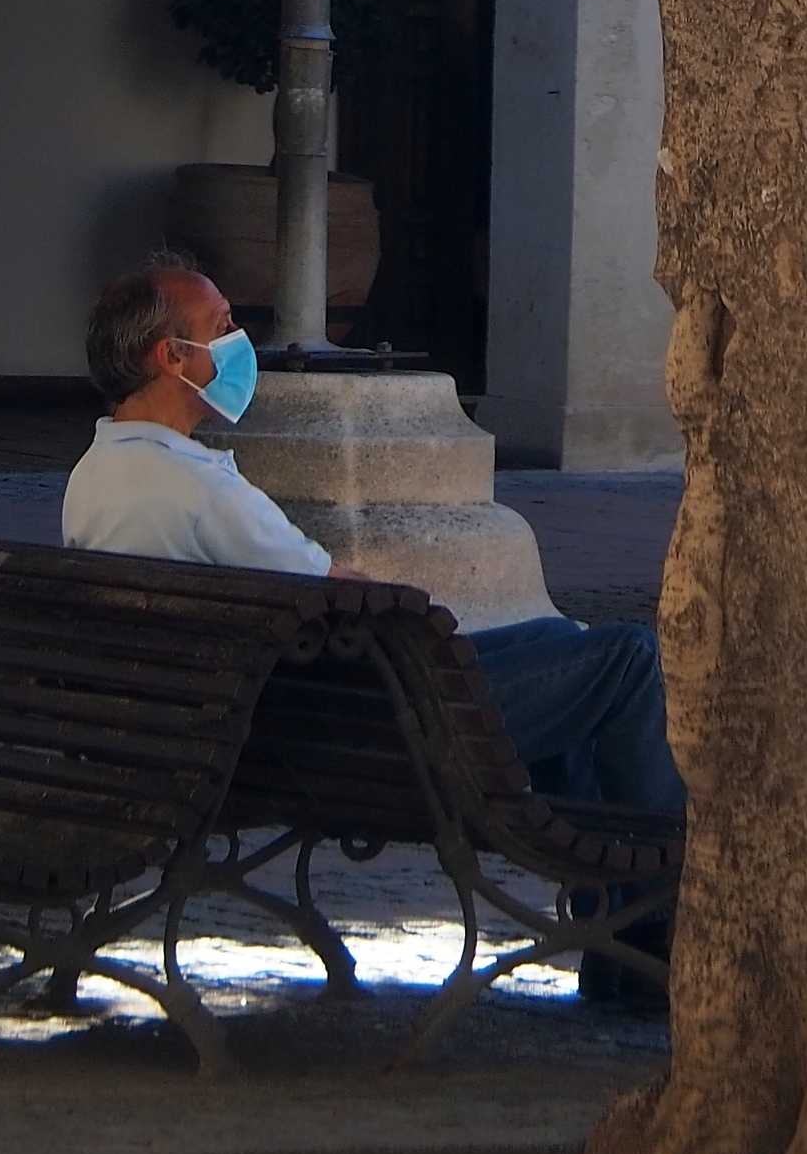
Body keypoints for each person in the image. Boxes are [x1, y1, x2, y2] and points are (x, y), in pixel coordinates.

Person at [63, 256, 678, 1004]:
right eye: (221, 328)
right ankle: (652, 924)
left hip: (252, 728)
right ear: (171, 357)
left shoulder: (97, 475)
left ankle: (621, 928)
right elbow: (339, 591)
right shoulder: (191, 486)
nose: (237, 343)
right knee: (626, 662)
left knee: (559, 644)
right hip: (351, 736)